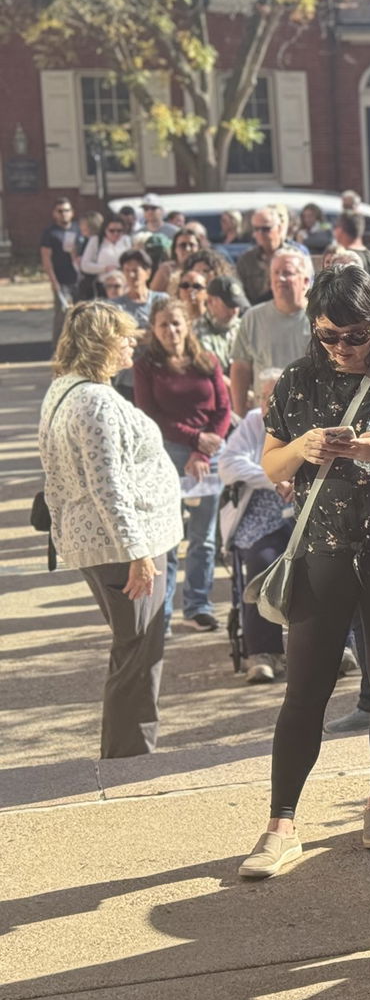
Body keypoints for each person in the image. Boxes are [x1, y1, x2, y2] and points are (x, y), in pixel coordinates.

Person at [237, 265, 370, 879]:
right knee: (305, 687)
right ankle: (282, 822)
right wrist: (300, 448)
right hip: (321, 553)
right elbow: (271, 464)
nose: (341, 348)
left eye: (354, 336)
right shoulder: (296, 383)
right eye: (329, 336)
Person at [39, 303, 182, 757]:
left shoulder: (66, 389)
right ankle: (129, 754)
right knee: (138, 654)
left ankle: (129, 747)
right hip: (122, 547)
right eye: (122, 336)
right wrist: (138, 553)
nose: (131, 342)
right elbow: (108, 486)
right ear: (101, 343)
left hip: (106, 543)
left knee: (135, 650)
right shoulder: (94, 401)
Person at [132, 297, 231, 632]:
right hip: (167, 455)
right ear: (154, 330)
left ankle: (198, 604)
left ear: (187, 325)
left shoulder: (207, 360)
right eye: (163, 325)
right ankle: (163, 614)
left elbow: (223, 409)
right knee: (168, 538)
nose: (171, 330)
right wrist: (193, 440)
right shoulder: (147, 366)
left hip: (207, 457)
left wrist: (203, 451)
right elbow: (149, 415)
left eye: (176, 323)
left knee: (203, 538)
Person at [220, 369, 295, 684]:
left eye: (275, 396)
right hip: (260, 520)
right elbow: (228, 465)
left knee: (323, 566)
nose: (269, 403)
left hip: (302, 516)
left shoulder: (306, 419)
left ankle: (340, 646)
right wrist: (272, 475)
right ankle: (264, 653)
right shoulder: (252, 423)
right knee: (261, 564)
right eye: (264, 397)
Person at [231, 248, 312, 413]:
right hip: (265, 416)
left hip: (308, 414)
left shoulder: (321, 319)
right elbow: (241, 367)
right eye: (275, 273)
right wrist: (240, 413)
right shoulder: (253, 317)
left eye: (288, 273)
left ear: (305, 281)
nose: (280, 278)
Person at [236, 206, 308, 305]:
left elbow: (307, 289)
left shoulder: (295, 257)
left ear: (279, 228)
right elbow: (241, 296)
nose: (260, 233)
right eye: (256, 229)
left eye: (266, 229)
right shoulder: (246, 260)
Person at [41, 196, 80, 341]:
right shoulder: (50, 233)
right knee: (62, 314)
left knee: (80, 314)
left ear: (72, 212)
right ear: (54, 213)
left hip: (79, 279)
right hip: (61, 280)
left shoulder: (78, 229)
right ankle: (57, 347)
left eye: (67, 210)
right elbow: (46, 258)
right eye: (60, 211)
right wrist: (53, 282)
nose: (64, 213)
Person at [197, 275, 248, 380]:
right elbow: (213, 373)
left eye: (237, 306)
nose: (234, 311)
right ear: (210, 302)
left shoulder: (244, 327)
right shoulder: (198, 332)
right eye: (229, 305)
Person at [112, 248, 164, 330]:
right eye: (127, 271)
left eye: (135, 270)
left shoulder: (161, 300)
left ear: (148, 273)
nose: (131, 275)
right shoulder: (117, 306)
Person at [75, 211, 122, 302]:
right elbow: (85, 264)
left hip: (122, 285)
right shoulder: (95, 241)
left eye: (119, 231)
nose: (115, 233)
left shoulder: (126, 240)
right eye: (112, 231)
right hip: (101, 286)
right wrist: (104, 268)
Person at [151, 225, 205, 295]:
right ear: (175, 249)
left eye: (191, 245)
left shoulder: (205, 269)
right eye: (183, 245)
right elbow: (154, 297)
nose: (188, 249)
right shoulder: (167, 270)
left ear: (198, 248)